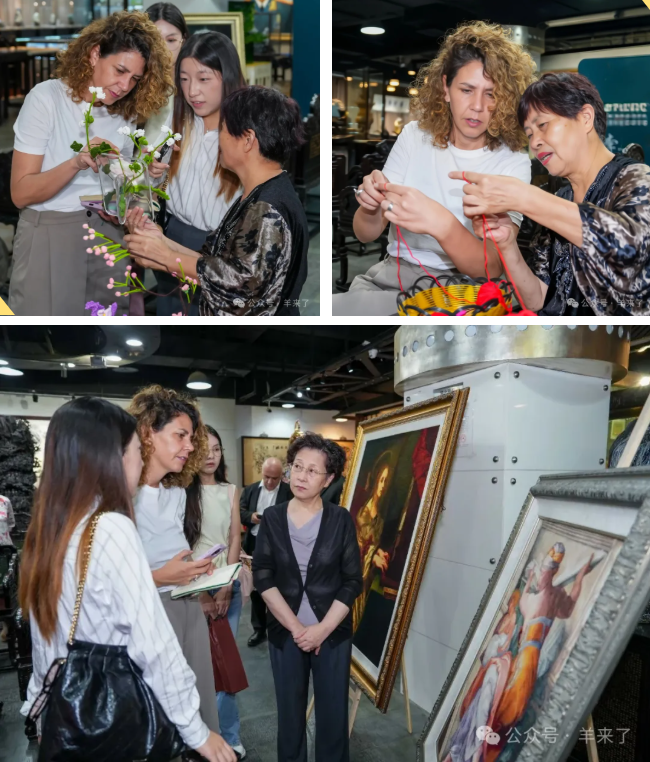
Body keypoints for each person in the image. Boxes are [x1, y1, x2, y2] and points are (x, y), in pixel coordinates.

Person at [18, 397, 234, 762]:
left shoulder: (52, 527)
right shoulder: (111, 526)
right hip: (112, 708)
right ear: (112, 457)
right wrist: (196, 730)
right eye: (135, 449)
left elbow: (45, 637)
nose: (139, 459)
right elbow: (154, 643)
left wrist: (38, 707)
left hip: (68, 710)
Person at [332, 21, 535, 316]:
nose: (478, 106)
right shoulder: (415, 136)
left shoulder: (512, 161)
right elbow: (365, 234)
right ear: (445, 88)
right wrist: (370, 206)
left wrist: (441, 224)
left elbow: (490, 266)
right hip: (393, 277)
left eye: (491, 94)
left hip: (466, 291)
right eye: (467, 90)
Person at [8, 11, 174, 316]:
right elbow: (20, 193)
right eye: (120, 70)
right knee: (44, 336)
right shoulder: (46, 99)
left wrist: (144, 176)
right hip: (50, 234)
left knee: (105, 334)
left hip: (107, 235)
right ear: (95, 54)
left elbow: (117, 192)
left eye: (135, 79)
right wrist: (76, 162)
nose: (124, 85)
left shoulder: (123, 112)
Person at [446, 72, 650, 315]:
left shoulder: (637, 178)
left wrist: (525, 197)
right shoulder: (560, 199)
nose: (534, 143)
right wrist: (507, 245)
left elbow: (632, 248)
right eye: (530, 134)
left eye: (543, 125)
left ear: (585, 118)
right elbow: (537, 300)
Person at [124, 85, 309, 316]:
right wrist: (160, 242)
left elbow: (241, 287)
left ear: (248, 140)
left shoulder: (267, 208)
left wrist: (166, 256)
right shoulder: (261, 193)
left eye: (223, 129)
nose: (218, 138)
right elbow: (216, 263)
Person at [252, 432, 362, 762]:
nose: (301, 476)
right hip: (285, 633)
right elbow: (263, 575)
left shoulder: (340, 519)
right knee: (289, 717)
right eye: (297, 466)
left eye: (313, 471)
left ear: (329, 479)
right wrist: (298, 629)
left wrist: (321, 630)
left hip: (332, 634)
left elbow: (352, 581)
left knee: (333, 717)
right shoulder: (272, 518)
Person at [127, 384, 223, 738]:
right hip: (145, 611)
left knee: (196, 692)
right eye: (180, 435)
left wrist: (197, 570)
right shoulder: (121, 493)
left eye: (191, 438)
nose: (190, 446)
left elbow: (176, 548)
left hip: (187, 603)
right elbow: (99, 578)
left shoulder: (177, 491)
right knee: (156, 708)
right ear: (147, 432)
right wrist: (161, 576)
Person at [149, 30, 245, 315]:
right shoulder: (179, 119)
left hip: (221, 249)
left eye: (203, 79)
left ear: (227, 77)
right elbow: (163, 181)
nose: (192, 91)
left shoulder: (246, 131)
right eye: (184, 79)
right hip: (173, 235)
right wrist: (154, 171)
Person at [186, 425, 246, 759]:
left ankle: (230, 736)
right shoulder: (180, 492)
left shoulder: (230, 490)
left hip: (226, 584)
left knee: (226, 664)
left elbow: (235, 537)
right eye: (203, 449)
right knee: (198, 668)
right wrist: (202, 594)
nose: (210, 456)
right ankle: (199, 738)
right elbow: (182, 546)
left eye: (217, 449)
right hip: (192, 589)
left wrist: (226, 585)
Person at [240, 456, 291, 647]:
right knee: (255, 589)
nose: (270, 482)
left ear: (282, 476)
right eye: (266, 477)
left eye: (274, 478)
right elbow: (238, 512)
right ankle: (259, 629)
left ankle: (278, 627)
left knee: (278, 588)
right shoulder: (251, 490)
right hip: (253, 544)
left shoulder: (288, 492)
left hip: (278, 547)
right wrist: (251, 517)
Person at [144, 2, 189, 145]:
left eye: (171, 40)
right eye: (155, 40)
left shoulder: (194, 84)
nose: (163, 48)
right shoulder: (131, 81)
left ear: (183, 41)